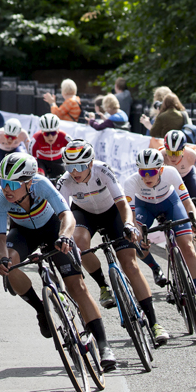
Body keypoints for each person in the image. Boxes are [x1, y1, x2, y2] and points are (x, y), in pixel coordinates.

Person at [0, 151, 117, 371]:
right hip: (23, 233)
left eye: (12, 184)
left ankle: (104, 345)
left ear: (28, 182)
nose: (6, 189)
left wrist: (66, 236)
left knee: (77, 286)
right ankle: (42, 310)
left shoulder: (41, 185)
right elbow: (0, 237)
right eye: (3, 182)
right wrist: (1, 258)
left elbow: (67, 216)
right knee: (10, 267)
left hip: (53, 230)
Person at [57, 140, 169, 346]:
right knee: (79, 242)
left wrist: (128, 223)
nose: (75, 172)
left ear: (90, 164)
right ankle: (103, 285)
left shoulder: (103, 170)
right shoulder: (65, 182)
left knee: (130, 265)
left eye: (80, 166)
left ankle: (154, 323)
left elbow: (122, 203)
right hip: (85, 214)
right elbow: (64, 215)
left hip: (112, 213)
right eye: (70, 167)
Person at [123, 149, 196, 320]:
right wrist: (141, 236)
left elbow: (187, 202)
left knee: (187, 247)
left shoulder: (171, 173)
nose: (147, 177)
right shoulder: (131, 182)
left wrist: (194, 221)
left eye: (152, 172)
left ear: (161, 170)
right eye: (143, 172)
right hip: (146, 208)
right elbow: (133, 217)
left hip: (170, 204)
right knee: (135, 240)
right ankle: (155, 268)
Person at [30, 113, 69, 181]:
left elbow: (73, 151)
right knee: (39, 178)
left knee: (65, 179)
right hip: (42, 162)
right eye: (46, 134)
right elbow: (32, 159)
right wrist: (37, 170)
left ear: (58, 131)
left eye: (53, 133)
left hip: (58, 161)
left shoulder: (64, 136)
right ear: (42, 132)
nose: (50, 137)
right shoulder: (35, 139)